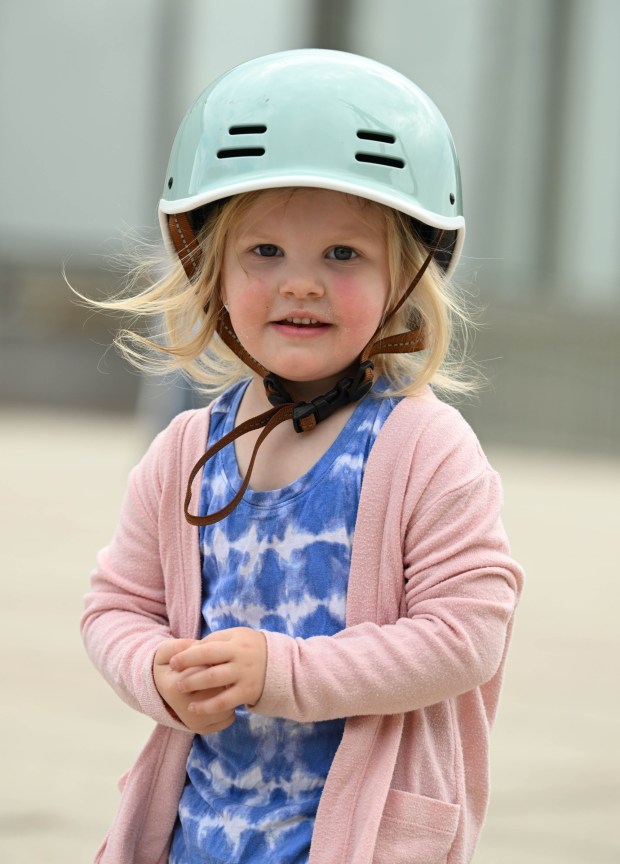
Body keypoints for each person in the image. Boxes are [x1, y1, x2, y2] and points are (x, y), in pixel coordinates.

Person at [80, 49, 524, 864]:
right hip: (196, 838)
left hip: (354, 840)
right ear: (209, 270)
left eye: (344, 255)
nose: (302, 284)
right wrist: (156, 670)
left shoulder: (422, 448)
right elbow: (113, 607)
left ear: (408, 273)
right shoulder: (187, 451)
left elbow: (467, 633)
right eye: (265, 253)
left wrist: (281, 672)